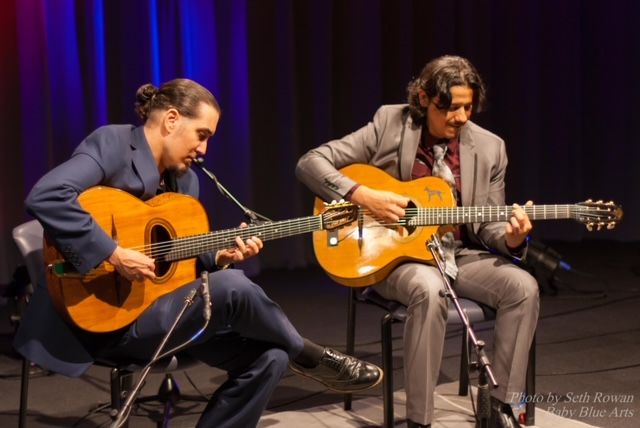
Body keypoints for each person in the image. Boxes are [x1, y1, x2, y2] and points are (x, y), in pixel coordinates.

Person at [13, 78, 382, 428]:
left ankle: (293, 351)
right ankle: (309, 353)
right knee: (233, 286)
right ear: (172, 120)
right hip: (102, 318)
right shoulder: (113, 144)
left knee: (270, 357)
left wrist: (220, 256)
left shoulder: (186, 181)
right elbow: (47, 195)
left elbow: (179, 260)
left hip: (162, 314)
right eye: (201, 135)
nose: (204, 149)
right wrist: (114, 253)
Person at [296, 55, 539, 428]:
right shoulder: (389, 124)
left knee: (523, 287)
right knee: (429, 288)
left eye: (468, 107)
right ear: (424, 98)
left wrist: (512, 238)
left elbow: (488, 226)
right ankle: (419, 421)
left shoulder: (491, 148)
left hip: (458, 255)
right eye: (450, 107)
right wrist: (363, 196)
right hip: (396, 259)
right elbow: (311, 163)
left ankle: (500, 408)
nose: (461, 117)